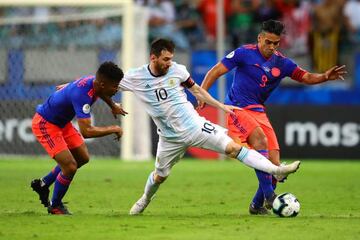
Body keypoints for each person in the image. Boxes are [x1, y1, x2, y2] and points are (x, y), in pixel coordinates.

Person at [115, 38, 300, 215]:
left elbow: (197, 91)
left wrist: (221, 106)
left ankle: (276, 170)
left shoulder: (178, 71)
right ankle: (145, 199)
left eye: (171, 59)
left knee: (233, 148)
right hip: (169, 137)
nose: (169, 63)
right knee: (159, 176)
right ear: (153, 58)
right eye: (165, 59)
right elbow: (104, 86)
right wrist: (112, 104)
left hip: (195, 126)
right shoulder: (135, 77)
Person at [199, 20, 346, 215]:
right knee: (260, 140)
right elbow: (215, 71)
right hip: (237, 108)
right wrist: (202, 94)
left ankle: (257, 205)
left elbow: (306, 77)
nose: (272, 47)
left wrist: (324, 76)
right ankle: (270, 197)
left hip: (258, 111)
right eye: (268, 42)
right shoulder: (244, 53)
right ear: (260, 38)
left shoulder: (282, 63)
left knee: (276, 166)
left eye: (276, 43)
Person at [30, 61, 125, 215]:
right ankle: (55, 206)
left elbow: (100, 92)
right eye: (114, 86)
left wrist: (112, 105)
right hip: (45, 123)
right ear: (101, 83)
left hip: (62, 123)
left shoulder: (94, 82)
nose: (116, 89)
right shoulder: (82, 95)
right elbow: (86, 132)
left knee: (82, 158)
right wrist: (114, 128)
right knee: (70, 166)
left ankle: (43, 183)